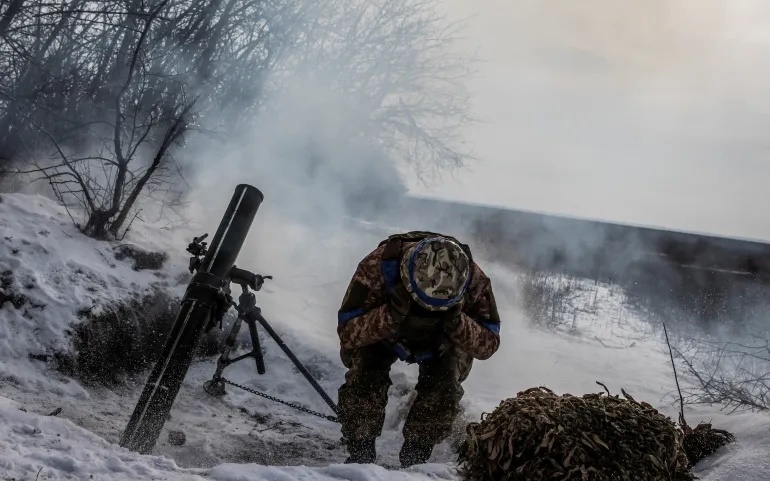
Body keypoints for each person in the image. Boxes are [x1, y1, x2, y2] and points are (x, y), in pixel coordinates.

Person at [336, 231, 502, 467]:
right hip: (385, 334)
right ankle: (360, 453)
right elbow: (347, 332)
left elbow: (489, 344)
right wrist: (389, 316)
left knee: (444, 388)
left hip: (443, 340)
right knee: (364, 376)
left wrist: (458, 323)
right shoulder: (376, 267)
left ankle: (416, 458)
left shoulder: (474, 280)